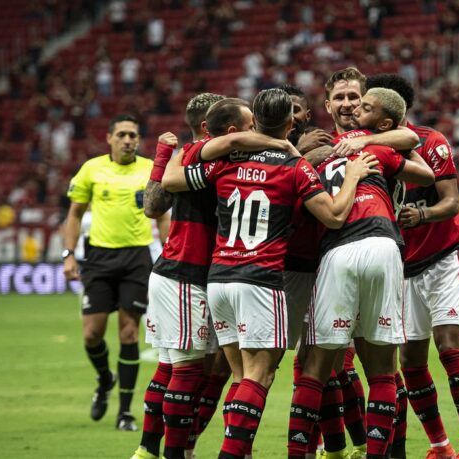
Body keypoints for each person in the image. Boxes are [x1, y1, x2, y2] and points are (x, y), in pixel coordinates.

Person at [162, 90, 378, 459]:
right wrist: (353, 176)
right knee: (259, 376)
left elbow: (171, 180)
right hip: (260, 279)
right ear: (291, 123)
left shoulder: (225, 161)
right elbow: (334, 216)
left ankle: (233, 451)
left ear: (255, 121)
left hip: (219, 279)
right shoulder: (294, 166)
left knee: (240, 377)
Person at [287, 88, 434, 459]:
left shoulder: (313, 158)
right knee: (383, 371)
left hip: (336, 251)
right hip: (384, 244)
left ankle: (301, 453)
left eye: (362, 103)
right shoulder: (375, 149)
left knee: (314, 368)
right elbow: (426, 175)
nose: (354, 107)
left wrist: (304, 154)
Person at [366, 73, 459, 459]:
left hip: (443, 256)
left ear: (392, 111)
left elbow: (451, 201)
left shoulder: (431, 142)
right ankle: (440, 446)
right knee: (411, 362)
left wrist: (422, 214)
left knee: (449, 349)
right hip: (403, 265)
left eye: (369, 104)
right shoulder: (368, 149)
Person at [132, 93, 227, 459]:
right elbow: (152, 207)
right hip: (185, 274)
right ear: (208, 126)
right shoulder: (195, 158)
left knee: (174, 366)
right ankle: (172, 453)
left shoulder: (189, 158)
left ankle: (148, 450)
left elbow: (152, 206)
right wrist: (162, 158)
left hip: (188, 274)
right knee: (187, 371)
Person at [63, 114, 170, 431]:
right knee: (91, 334)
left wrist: (168, 251)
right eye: (121, 134)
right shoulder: (91, 169)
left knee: (129, 333)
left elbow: (162, 215)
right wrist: (69, 255)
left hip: (136, 258)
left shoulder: (150, 169)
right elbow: (74, 215)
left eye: (132, 135)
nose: (127, 140)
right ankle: (104, 378)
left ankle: (125, 413)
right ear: (109, 138)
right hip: (98, 257)